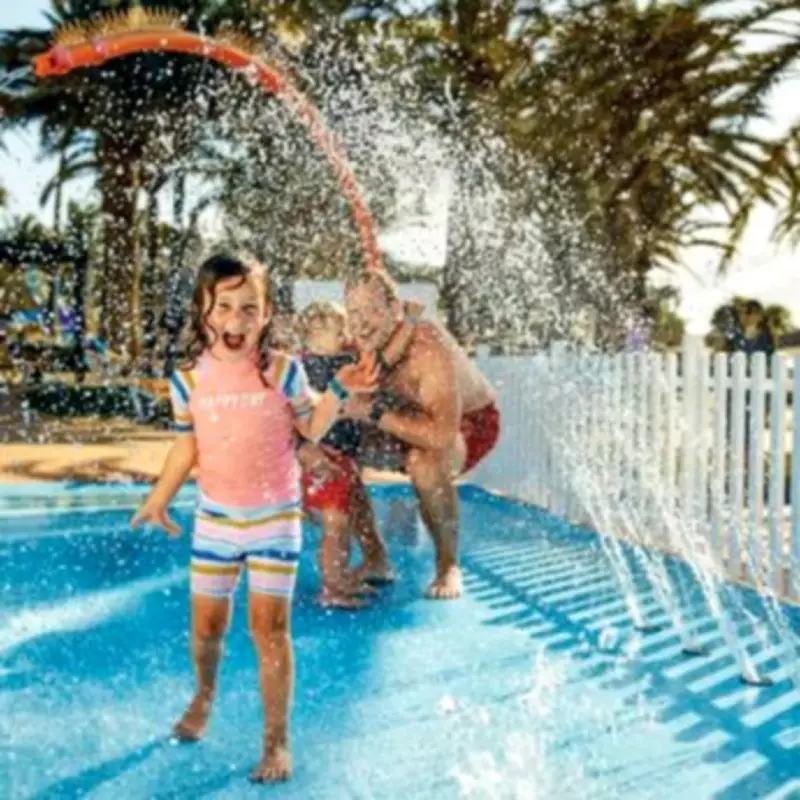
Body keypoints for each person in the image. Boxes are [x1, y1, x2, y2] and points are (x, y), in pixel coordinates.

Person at [130, 254, 377, 783]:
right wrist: (159, 497)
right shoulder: (187, 381)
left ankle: (276, 740)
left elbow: (311, 429)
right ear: (203, 310)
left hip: (275, 519)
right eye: (224, 307)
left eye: (250, 308)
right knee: (207, 629)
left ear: (266, 314)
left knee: (270, 630)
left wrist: (339, 389)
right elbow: (186, 447)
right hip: (216, 521)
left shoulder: (282, 372)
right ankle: (204, 695)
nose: (236, 320)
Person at [342, 270, 501, 600]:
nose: (362, 322)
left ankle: (448, 565)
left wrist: (373, 413)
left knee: (424, 461)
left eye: (372, 309)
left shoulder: (426, 349)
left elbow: (441, 435)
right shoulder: (354, 344)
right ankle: (375, 559)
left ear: (394, 309)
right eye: (354, 312)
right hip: (398, 416)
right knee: (335, 457)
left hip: (465, 425)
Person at [295, 300, 393, 608]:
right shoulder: (302, 368)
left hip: (343, 457)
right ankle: (333, 587)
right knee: (335, 525)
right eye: (333, 330)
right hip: (323, 458)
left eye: (342, 330)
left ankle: (339, 578)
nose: (342, 336)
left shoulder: (345, 361)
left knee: (342, 520)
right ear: (309, 334)